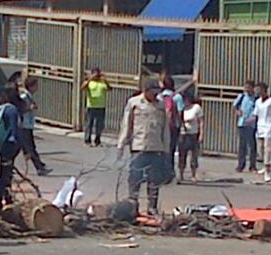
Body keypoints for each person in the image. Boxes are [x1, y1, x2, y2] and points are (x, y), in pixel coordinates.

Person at [117, 79, 170, 216]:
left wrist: (166, 149)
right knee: (135, 178)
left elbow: (165, 129)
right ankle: (133, 205)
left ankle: (152, 207)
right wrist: (121, 145)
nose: (155, 95)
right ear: (145, 91)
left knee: (154, 180)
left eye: (157, 92)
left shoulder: (161, 105)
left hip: (156, 147)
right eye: (153, 92)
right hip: (139, 146)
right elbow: (126, 125)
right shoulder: (134, 103)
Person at [0, 85, 23, 212]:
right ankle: (2, 201)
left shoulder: (2, 107)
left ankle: (2, 200)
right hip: (9, 146)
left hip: (1, 145)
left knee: (4, 173)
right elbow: (15, 132)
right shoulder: (13, 110)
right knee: (6, 175)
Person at [249, 82, 271, 183]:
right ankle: (265, 165)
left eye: (258, 89)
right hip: (260, 128)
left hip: (269, 128)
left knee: (268, 150)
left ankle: (267, 171)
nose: (257, 91)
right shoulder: (258, 101)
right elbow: (255, 114)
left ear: (263, 89)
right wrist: (250, 120)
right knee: (260, 149)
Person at [20, 76, 51, 176]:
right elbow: (21, 109)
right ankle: (39, 167)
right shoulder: (24, 97)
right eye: (35, 86)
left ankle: (40, 164)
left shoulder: (29, 96)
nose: (37, 88)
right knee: (30, 148)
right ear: (31, 86)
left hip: (28, 125)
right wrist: (30, 108)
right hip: (24, 125)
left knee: (29, 147)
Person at [178, 93, 204, 183]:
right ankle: (181, 174)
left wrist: (201, 134)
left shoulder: (196, 107)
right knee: (182, 155)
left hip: (194, 133)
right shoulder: (182, 109)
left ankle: (193, 174)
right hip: (183, 134)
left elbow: (201, 121)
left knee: (194, 155)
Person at [81, 68, 110, 147]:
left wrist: (105, 80)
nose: (97, 76)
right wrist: (90, 79)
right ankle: (87, 140)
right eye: (95, 74)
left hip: (101, 106)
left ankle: (97, 140)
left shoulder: (102, 82)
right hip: (91, 106)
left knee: (99, 124)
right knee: (89, 124)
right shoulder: (90, 82)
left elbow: (109, 88)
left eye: (98, 74)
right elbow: (83, 87)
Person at [234, 80, 258, 173]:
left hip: (251, 125)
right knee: (242, 146)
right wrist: (237, 112)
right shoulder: (242, 96)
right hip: (242, 123)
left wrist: (253, 118)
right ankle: (241, 165)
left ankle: (252, 166)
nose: (247, 89)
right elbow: (235, 106)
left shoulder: (256, 99)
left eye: (248, 87)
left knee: (252, 146)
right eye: (245, 87)